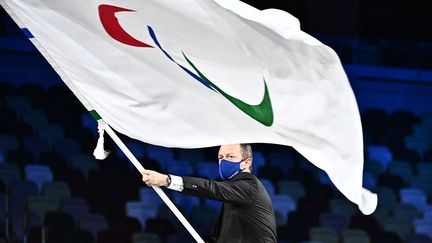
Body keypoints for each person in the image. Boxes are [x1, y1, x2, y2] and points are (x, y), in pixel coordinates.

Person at [142, 144, 277, 243]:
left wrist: (167, 180)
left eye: (230, 156)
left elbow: (212, 188)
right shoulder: (236, 192)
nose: (224, 161)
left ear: (246, 162)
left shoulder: (249, 185)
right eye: (220, 157)